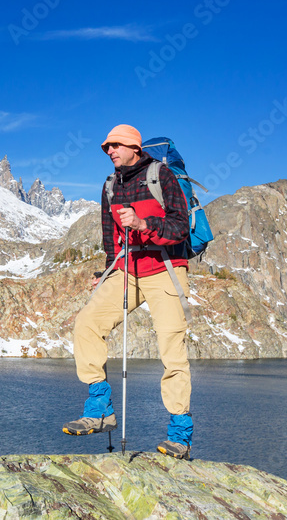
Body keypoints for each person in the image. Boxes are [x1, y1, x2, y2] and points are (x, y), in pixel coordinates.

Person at [62, 124, 194, 459]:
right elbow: (111, 238)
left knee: (171, 349)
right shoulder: (109, 185)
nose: (110, 151)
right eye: (106, 147)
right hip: (127, 270)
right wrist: (106, 272)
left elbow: (179, 227)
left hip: (166, 268)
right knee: (87, 324)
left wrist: (143, 224)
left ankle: (180, 435)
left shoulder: (160, 175)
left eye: (115, 145)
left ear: (134, 146)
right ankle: (101, 409)